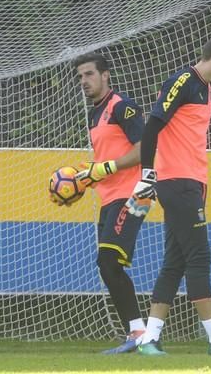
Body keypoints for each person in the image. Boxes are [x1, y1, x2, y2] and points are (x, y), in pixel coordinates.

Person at [125, 34, 211, 356]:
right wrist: (147, 174)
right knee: (199, 258)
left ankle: (150, 337)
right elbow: (153, 124)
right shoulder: (184, 80)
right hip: (178, 183)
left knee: (175, 260)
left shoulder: (206, 88)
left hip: (190, 184)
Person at [57, 53, 147, 354]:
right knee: (107, 267)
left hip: (132, 194)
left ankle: (139, 333)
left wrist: (105, 168)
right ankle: (138, 332)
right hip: (109, 199)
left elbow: (144, 151)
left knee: (108, 262)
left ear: (106, 75)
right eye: (80, 76)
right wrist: (82, 182)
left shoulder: (123, 107)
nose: (83, 81)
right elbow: (104, 161)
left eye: (89, 74)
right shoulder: (93, 115)